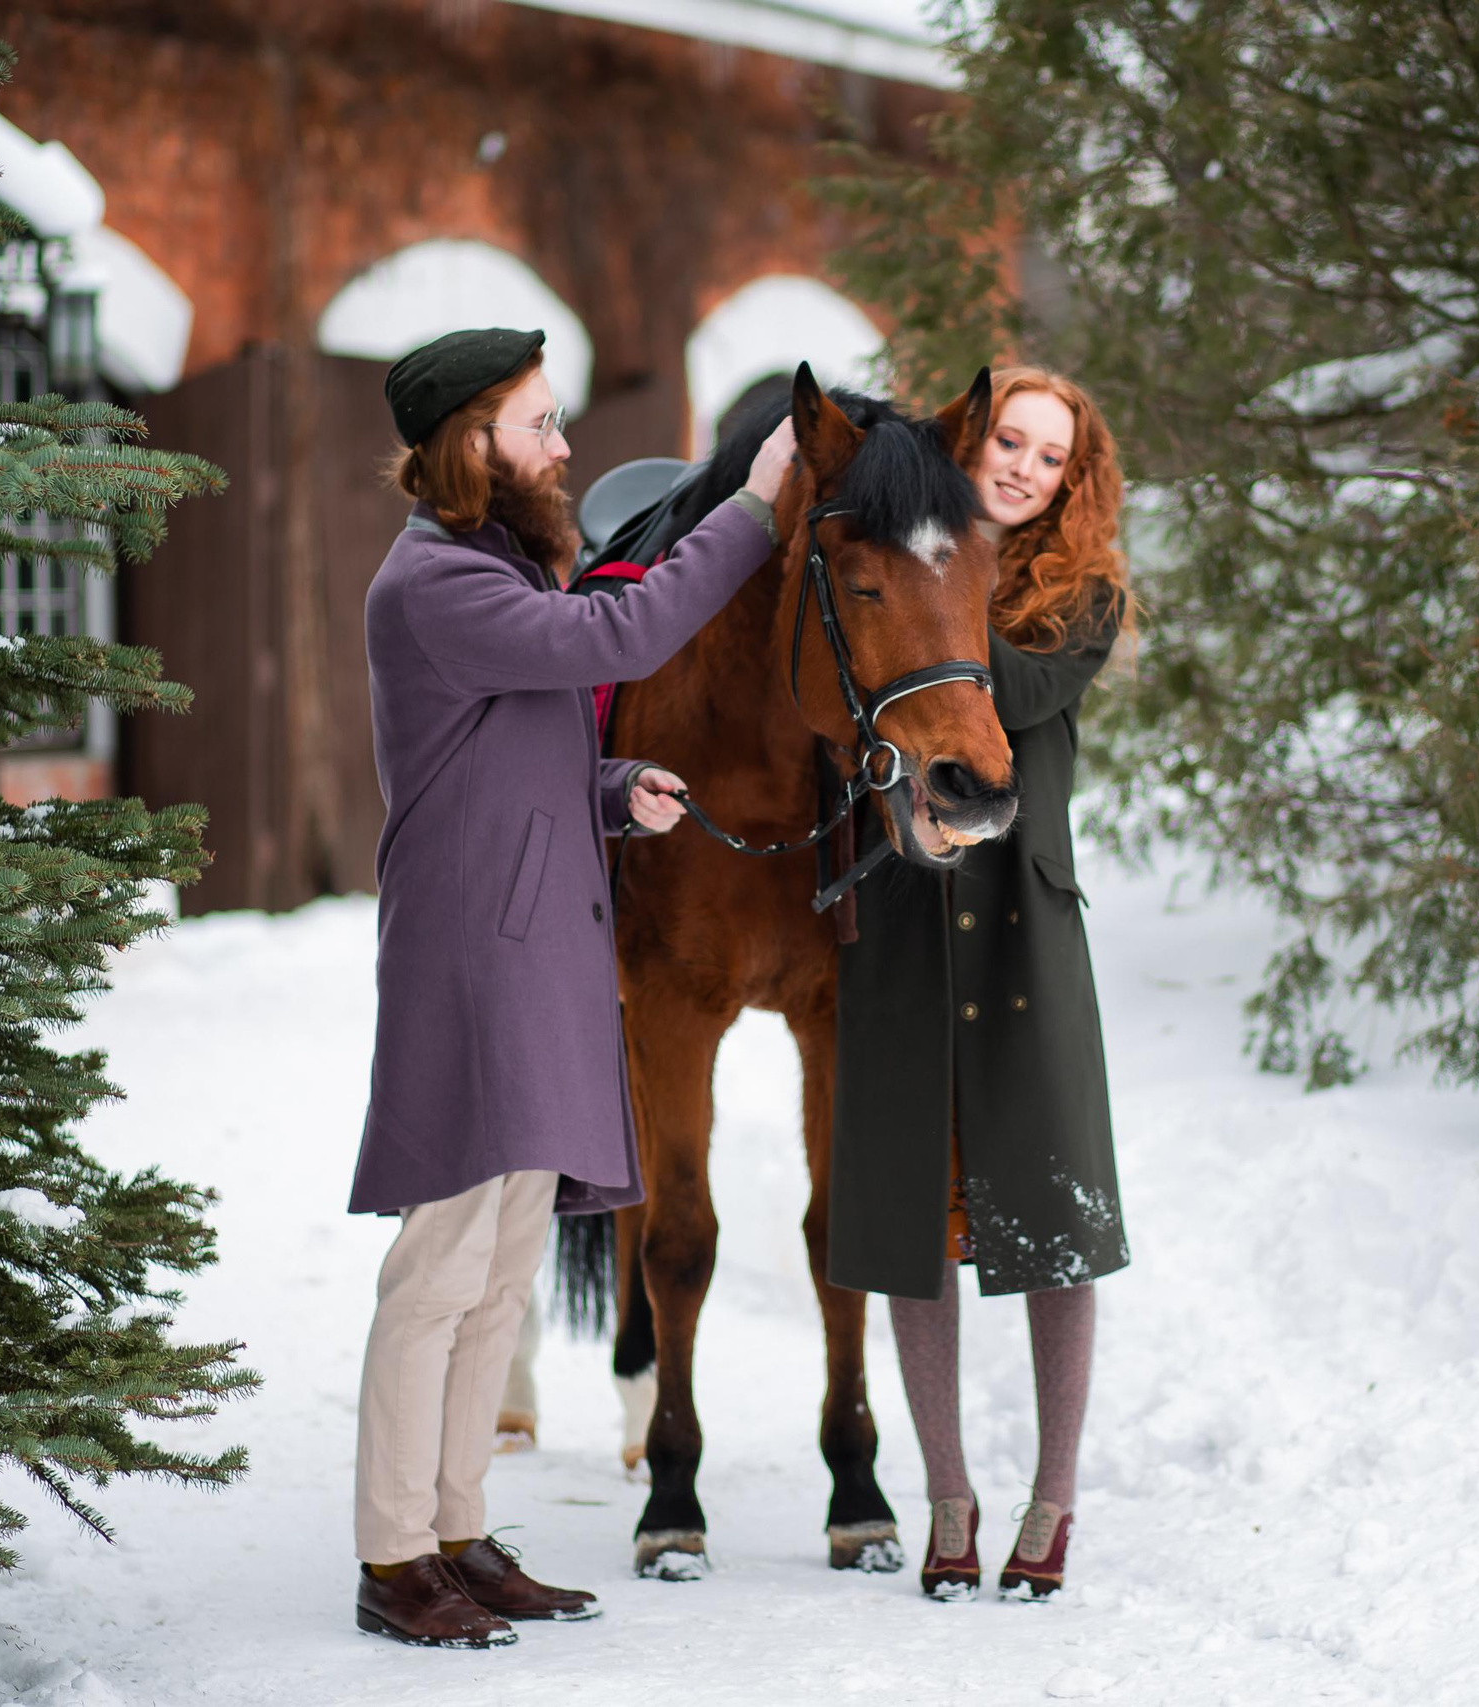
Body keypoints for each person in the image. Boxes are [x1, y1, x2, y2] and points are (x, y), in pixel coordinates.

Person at [348, 326, 794, 1649]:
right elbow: (625, 627)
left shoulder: (492, 568)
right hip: (474, 955)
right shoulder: (436, 579)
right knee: (438, 1268)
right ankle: (392, 1555)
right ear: (470, 443)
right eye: (538, 423)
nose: (563, 445)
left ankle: (458, 1531)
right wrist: (751, 507)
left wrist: (611, 787)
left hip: (537, 946)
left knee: (500, 1271)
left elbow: (504, 747)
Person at [827, 367, 1133, 1601]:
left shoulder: (1083, 593)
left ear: (1071, 482)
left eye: (1050, 457)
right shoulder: (905, 556)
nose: (1021, 468)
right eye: (1007, 440)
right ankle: (946, 1496)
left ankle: (1053, 1499)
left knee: (1052, 1214)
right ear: (971, 443)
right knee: (914, 1218)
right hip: (905, 917)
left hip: (1022, 934)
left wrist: (925, 587)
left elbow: (1017, 688)